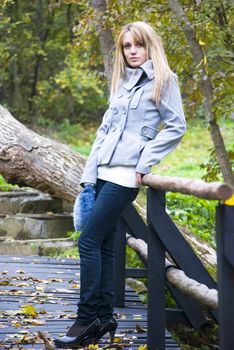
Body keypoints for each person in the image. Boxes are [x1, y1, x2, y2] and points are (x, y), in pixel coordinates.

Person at [54, 21, 186, 348]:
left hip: (127, 175)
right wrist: (89, 174)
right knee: (103, 244)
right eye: (127, 47)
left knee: (88, 241)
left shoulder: (164, 81)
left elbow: (176, 127)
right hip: (102, 173)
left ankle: (86, 319)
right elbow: (103, 132)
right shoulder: (123, 83)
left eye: (138, 45)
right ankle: (103, 317)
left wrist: (145, 161)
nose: (132, 52)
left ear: (149, 46)